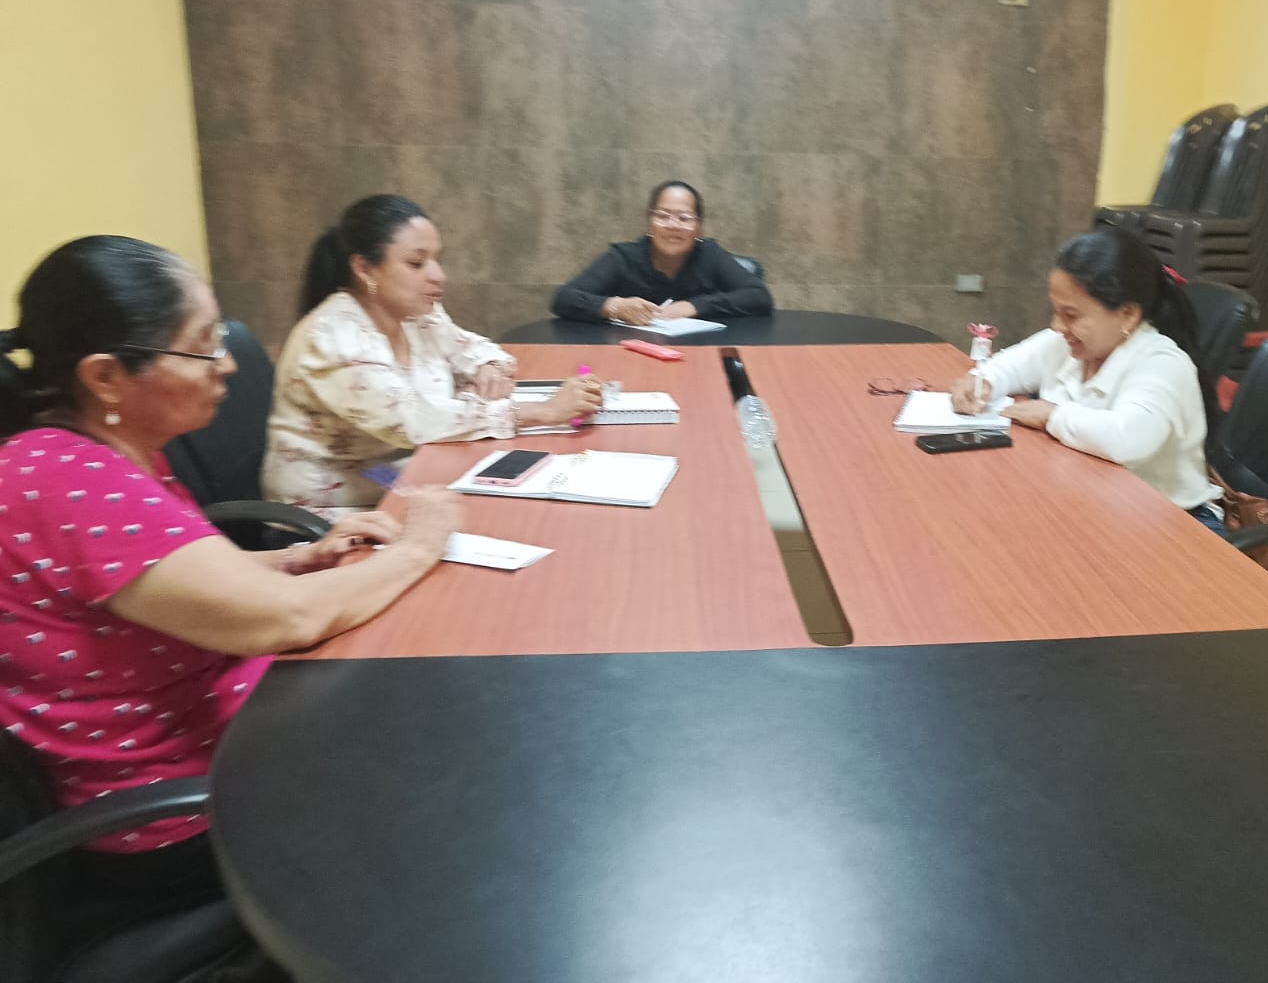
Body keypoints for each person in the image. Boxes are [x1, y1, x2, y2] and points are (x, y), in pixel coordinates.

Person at [0, 234, 459, 951]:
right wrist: (420, 547)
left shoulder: (89, 454)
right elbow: (289, 620)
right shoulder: (70, 482)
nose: (230, 363)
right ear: (106, 376)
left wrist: (299, 558)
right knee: (437, 763)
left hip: (213, 735)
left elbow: (168, 582)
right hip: (168, 817)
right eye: (203, 346)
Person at [265, 195, 601, 515]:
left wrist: (487, 368)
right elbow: (412, 422)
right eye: (416, 263)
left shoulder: (417, 315)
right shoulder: (334, 336)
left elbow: (476, 349)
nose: (438, 275)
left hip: (405, 477)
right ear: (365, 268)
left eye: (437, 260)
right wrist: (545, 411)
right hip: (337, 511)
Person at [951, 227, 1224, 529]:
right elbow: (1008, 367)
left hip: (1173, 522)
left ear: (1128, 315)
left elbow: (1127, 440)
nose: (1057, 326)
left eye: (1071, 315)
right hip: (1097, 502)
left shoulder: (1162, 363)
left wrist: (1051, 415)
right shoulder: (1068, 344)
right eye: (1056, 311)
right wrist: (980, 382)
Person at [551, 181, 773, 324]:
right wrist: (615, 306)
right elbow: (563, 298)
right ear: (650, 222)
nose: (673, 225)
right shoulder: (623, 258)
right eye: (663, 216)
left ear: (698, 227)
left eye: (684, 218)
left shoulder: (710, 255)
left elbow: (758, 295)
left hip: (700, 356)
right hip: (628, 356)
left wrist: (694, 306)